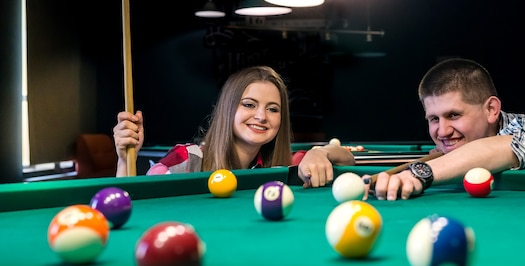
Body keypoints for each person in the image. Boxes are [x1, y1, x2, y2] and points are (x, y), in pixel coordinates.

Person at [367, 58, 525, 201]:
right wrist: (334, 152)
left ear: (491, 110)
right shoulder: (448, 152)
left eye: (453, 115)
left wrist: (418, 174)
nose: (442, 132)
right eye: (433, 119)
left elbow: (504, 147)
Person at [113, 65, 354, 186]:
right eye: (249, 105)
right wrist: (124, 160)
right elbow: (136, 199)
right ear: (229, 109)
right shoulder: (187, 159)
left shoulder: (285, 163)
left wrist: (319, 152)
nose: (261, 116)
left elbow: (347, 160)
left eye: (272, 109)